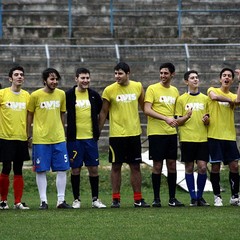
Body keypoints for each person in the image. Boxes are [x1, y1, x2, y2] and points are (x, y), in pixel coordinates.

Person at [99, 62, 150, 208]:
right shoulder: (109, 90)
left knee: (135, 166)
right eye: (115, 73)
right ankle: (116, 199)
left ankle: (138, 199)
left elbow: (144, 107)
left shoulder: (138, 86)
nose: (117, 76)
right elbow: (103, 112)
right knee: (116, 166)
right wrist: (98, 131)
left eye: (120, 73)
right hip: (116, 135)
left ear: (128, 73)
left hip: (134, 134)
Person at [27, 68, 72, 209]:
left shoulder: (61, 94)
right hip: (41, 139)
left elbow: (62, 114)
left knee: (62, 169)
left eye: (56, 79)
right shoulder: (35, 95)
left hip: (58, 138)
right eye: (52, 79)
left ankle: (61, 200)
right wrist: (28, 135)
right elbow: (29, 116)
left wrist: (62, 132)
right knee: (41, 170)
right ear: (45, 80)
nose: (55, 82)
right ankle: (43, 201)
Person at [144, 62, 184, 207]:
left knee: (172, 165)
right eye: (161, 73)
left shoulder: (174, 91)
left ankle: (172, 199)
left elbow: (176, 114)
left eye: (166, 73)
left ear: (172, 74)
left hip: (171, 133)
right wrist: (165, 118)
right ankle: (156, 199)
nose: (163, 76)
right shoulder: (152, 89)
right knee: (157, 166)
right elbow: (147, 109)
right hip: (156, 133)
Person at [66, 67, 106, 209]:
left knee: (93, 169)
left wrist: (97, 131)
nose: (85, 80)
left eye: (87, 78)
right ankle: (76, 200)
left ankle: (95, 199)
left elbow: (102, 112)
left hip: (90, 139)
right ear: (76, 79)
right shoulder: (69, 95)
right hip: (74, 140)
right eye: (82, 78)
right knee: (75, 169)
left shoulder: (94, 95)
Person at [175, 70, 210, 206]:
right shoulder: (181, 99)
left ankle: (200, 197)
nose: (195, 80)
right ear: (186, 81)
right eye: (192, 78)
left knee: (202, 167)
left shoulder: (205, 98)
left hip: (202, 138)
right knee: (189, 167)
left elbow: (209, 120)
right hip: (187, 138)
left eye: (197, 77)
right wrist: (187, 116)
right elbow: (178, 121)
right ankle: (193, 197)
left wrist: (207, 120)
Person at [207, 67, 240, 207]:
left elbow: (238, 101)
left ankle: (234, 196)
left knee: (234, 166)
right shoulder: (211, 89)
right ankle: (217, 196)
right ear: (220, 79)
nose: (226, 78)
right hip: (214, 135)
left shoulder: (233, 96)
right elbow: (214, 97)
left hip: (229, 136)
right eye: (224, 75)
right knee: (215, 166)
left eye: (229, 76)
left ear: (232, 80)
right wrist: (230, 101)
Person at [0, 65, 30, 210]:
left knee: (18, 169)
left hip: (21, 138)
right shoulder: (2, 94)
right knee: (6, 168)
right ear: (10, 78)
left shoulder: (27, 96)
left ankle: (18, 202)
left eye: (21, 75)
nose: (19, 77)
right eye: (16, 74)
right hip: (5, 137)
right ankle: (3, 201)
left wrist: (29, 135)